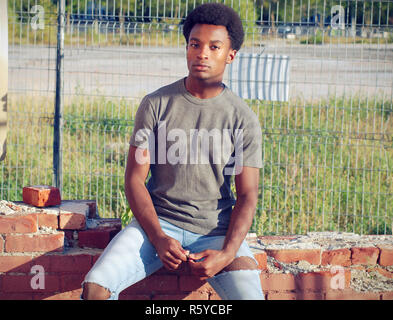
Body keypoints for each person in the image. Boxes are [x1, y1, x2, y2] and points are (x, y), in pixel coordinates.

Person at [82, 3, 264, 300]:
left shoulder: (242, 118)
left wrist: (228, 253)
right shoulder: (155, 104)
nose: (202, 53)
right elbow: (134, 180)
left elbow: (247, 195)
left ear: (230, 55)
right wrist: (158, 237)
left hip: (216, 231)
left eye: (214, 47)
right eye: (195, 44)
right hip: (157, 224)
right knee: (95, 289)